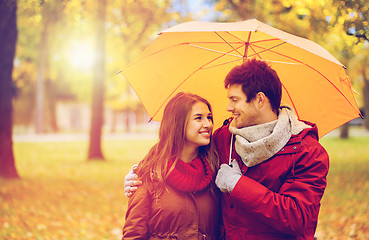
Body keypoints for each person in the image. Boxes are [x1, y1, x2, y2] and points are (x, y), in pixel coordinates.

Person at [125, 59, 329, 240]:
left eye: (235, 100)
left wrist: (237, 184)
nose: (228, 108)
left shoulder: (306, 151)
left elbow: (298, 217)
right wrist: (137, 177)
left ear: (259, 100)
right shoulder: (224, 139)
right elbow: (178, 152)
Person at [122, 92, 220, 240]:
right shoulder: (150, 172)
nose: (208, 124)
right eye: (199, 118)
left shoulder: (215, 171)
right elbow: (133, 234)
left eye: (209, 117)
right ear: (178, 122)